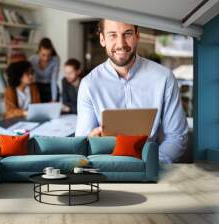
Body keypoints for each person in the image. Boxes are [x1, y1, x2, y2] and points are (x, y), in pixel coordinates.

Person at [75, 19, 188, 163]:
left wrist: (149, 165)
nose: (121, 44)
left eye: (127, 34)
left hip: (154, 167)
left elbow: (176, 136)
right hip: (106, 168)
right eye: (113, 35)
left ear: (137, 36)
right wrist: (91, 141)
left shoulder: (164, 78)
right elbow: (82, 143)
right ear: (102, 39)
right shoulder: (89, 84)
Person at [29, 38, 60, 103]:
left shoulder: (55, 60)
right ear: (39, 52)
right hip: (37, 85)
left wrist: (54, 99)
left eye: (49, 55)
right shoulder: (32, 60)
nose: (46, 58)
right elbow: (29, 76)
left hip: (50, 85)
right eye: (43, 55)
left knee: (54, 106)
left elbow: (53, 80)